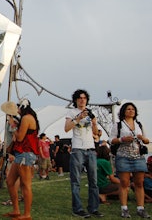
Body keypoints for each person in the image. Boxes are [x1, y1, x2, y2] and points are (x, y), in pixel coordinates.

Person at [64, 89, 102, 218]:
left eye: (84, 98)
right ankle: (78, 209)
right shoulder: (72, 112)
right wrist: (78, 118)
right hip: (77, 149)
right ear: (75, 100)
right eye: (80, 98)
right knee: (76, 181)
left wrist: (94, 122)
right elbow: (67, 128)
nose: (82, 100)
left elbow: (96, 133)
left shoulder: (91, 113)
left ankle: (93, 208)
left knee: (94, 181)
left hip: (90, 148)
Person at [109, 102, 150, 218]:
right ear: (123, 111)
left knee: (139, 183)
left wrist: (143, 138)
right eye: (128, 109)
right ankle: (124, 208)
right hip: (123, 156)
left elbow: (146, 141)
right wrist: (122, 139)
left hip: (138, 156)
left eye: (133, 109)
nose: (131, 111)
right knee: (124, 183)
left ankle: (140, 208)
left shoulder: (139, 125)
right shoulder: (118, 125)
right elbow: (111, 140)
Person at [2, 99, 39, 220]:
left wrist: (13, 126)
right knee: (10, 182)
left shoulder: (26, 118)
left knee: (25, 185)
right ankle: (16, 210)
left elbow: (19, 137)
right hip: (22, 154)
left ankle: (27, 214)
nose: (16, 110)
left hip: (25, 153)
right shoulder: (28, 117)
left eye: (18, 107)